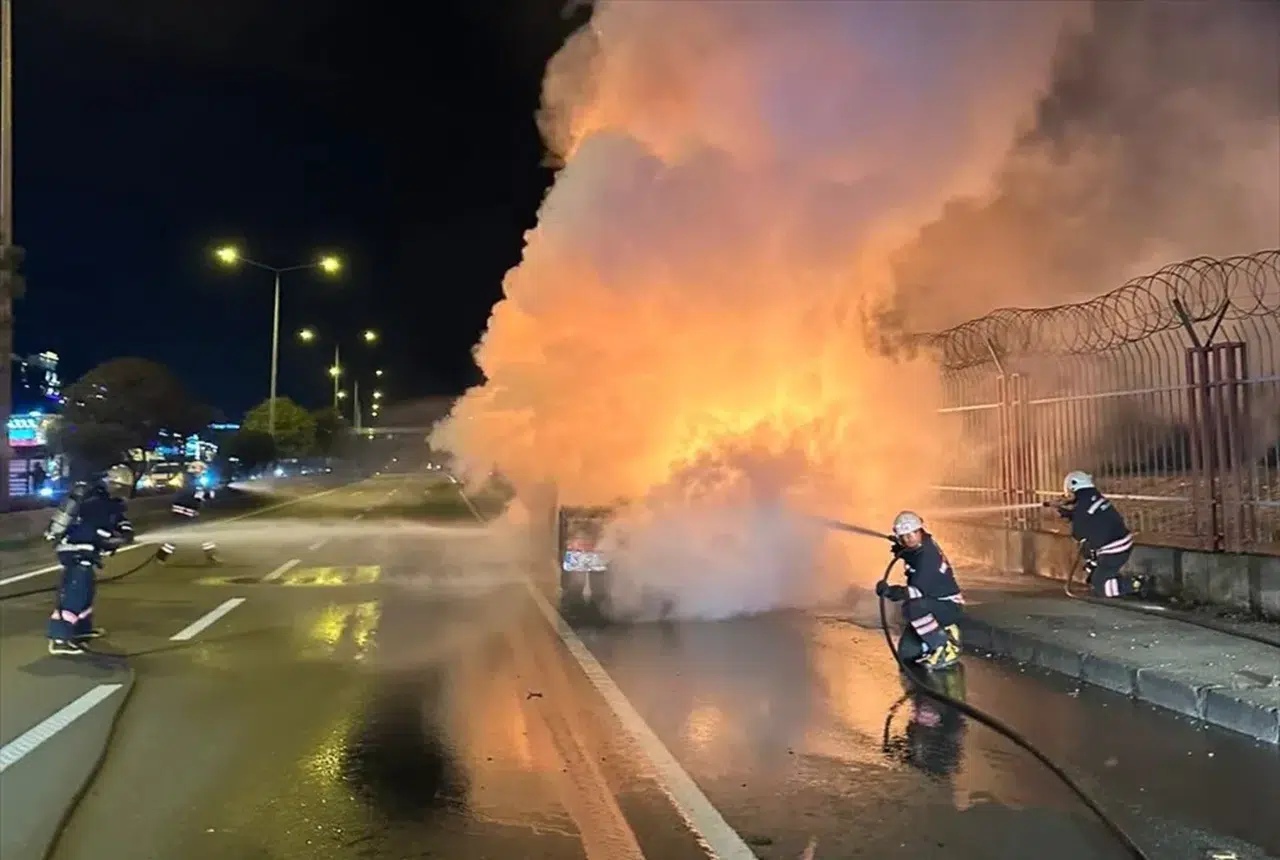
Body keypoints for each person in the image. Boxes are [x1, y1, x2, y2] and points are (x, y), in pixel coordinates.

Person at [43, 475, 133, 656]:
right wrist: (109, 540)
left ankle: (80, 630)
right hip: (77, 550)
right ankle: (59, 639)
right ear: (112, 485)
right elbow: (91, 530)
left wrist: (125, 529)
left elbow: (117, 520)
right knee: (75, 594)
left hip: (85, 552)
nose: (123, 491)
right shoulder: (96, 504)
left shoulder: (108, 504)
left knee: (86, 591)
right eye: (120, 487)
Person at [876, 510, 964, 671]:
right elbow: (915, 553)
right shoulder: (923, 544)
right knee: (907, 654)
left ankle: (945, 647)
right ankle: (940, 635)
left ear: (919, 531)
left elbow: (916, 591)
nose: (909, 538)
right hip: (935, 603)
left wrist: (890, 592)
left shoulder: (927, 558)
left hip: (948, 605)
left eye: (912, 533)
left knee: (913, 607)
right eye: (904, 536)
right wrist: (905, 553)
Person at [1050, 471, 1144, 598]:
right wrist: (1069, 514)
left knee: (1100, 585)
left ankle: (1135, 584)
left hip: (1114, 549)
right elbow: (1091, 516)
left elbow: (1078, 534)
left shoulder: (1082, 507)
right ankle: (1101, 573)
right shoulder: (1093, 497)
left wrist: (1071, 516)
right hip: (1120, 542)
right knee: (1088, 551)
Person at [163, 479, 218, 563]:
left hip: (185, 513)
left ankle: (161, 556)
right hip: (186, 513)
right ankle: (211, 555)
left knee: (177, 536)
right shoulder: (194, 484)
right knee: (202, 534)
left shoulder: (190, 482)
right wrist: (209, 489)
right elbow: (203, 496)